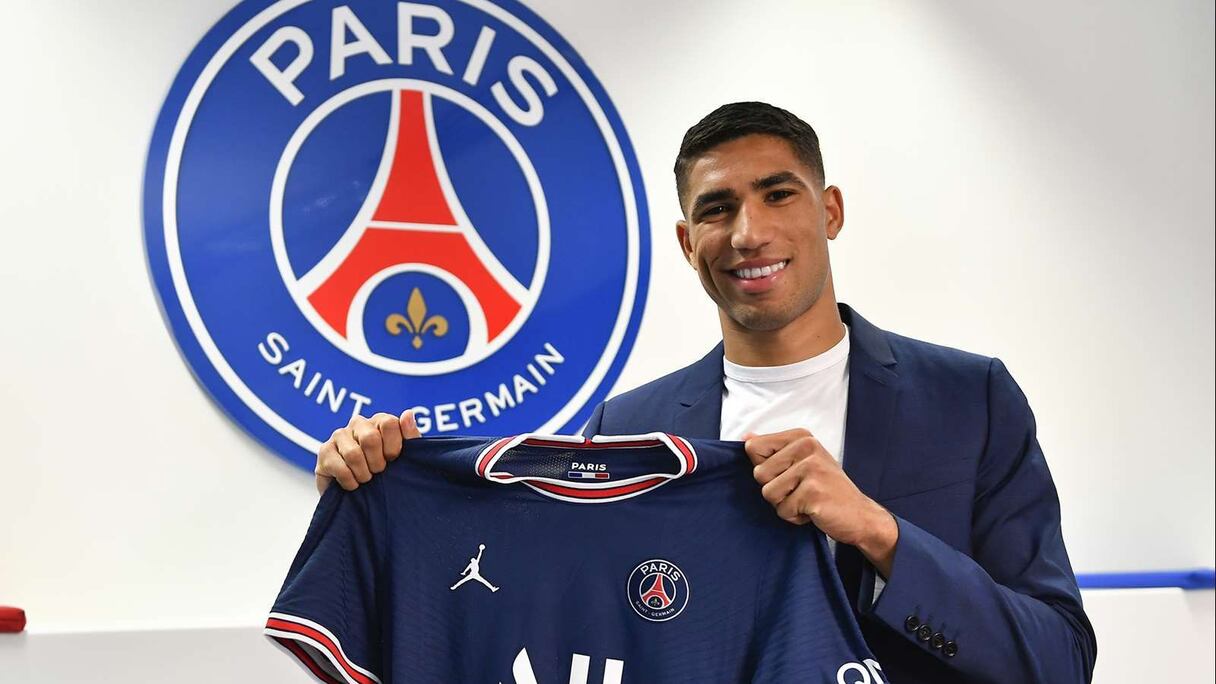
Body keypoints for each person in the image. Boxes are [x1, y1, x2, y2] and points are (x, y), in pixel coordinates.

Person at [314, 102, 1097, 683]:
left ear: (830, 212)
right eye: (716, 210)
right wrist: (375, 484)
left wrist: (881, 533)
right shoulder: (629, 428)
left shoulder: (971, 399)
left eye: (777, 194)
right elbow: (561, 622)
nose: (748, 232)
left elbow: (1059, 657)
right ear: (689, 243)